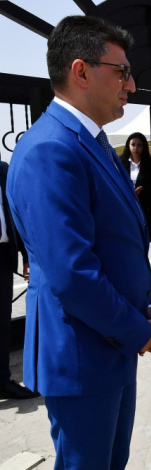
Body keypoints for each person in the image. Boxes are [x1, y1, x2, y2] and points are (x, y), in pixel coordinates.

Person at [6, 16, 151, 469]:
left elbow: (116, 244)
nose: (132, 83)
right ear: (81, 71)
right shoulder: (51, 149)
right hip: (82, 353)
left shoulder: (93, 142)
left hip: (110, 343)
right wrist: (139, 330)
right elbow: (72, 273)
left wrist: (145, 309)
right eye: (121, 71)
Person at [0, 161, 38, 400]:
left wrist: (26, 255)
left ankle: (2, 380)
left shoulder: (4, 170)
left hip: (2, 257)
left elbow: (16, 213)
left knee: (2, 322)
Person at [119, 132, 151, 238]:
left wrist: (143, 188)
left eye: (139, 145)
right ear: (128, 146)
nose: (136, 148)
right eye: (133, 144)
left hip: (144, 203)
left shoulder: (150, 164)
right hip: (126, 201)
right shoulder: (121, 163)